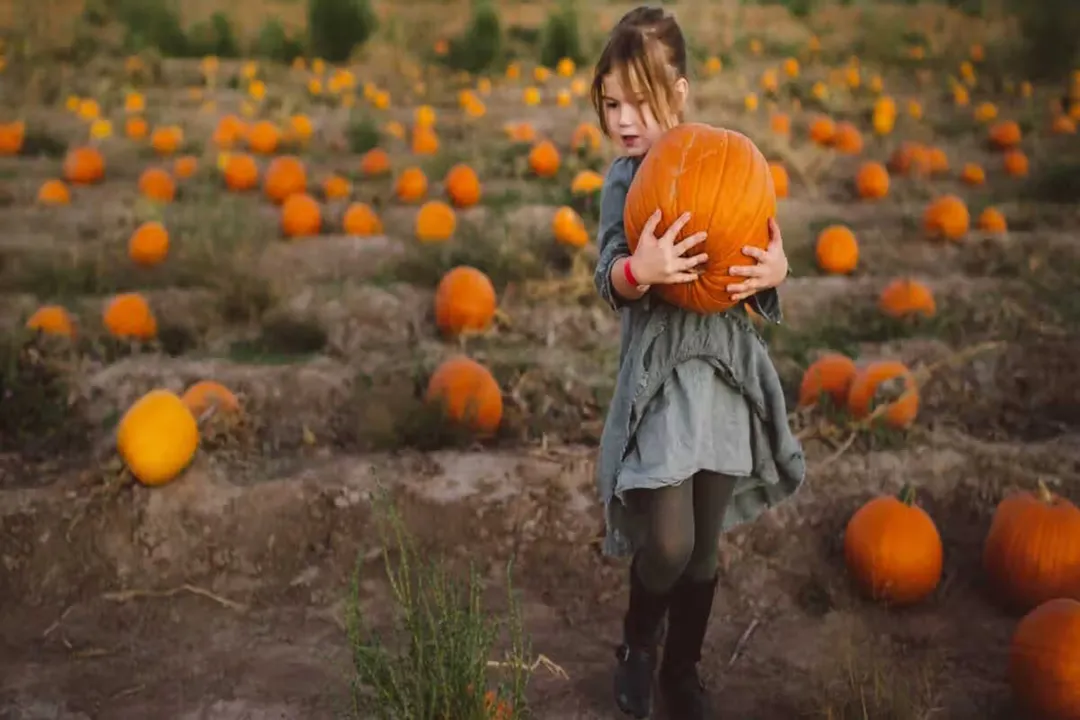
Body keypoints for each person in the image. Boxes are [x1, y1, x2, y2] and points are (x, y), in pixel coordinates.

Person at [590, 6, 807, 719]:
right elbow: (607, 277)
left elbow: (758, 260)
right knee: (671, 542)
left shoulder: (729, 164)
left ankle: (682, 671)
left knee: (706, 551)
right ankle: (636, 643)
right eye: (611, 102)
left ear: (678, 95)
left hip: (725, 379)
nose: (625, 118)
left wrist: (776, 271)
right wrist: (639, 269)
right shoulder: (625, 183)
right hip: (661, 388)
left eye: (641, 102)